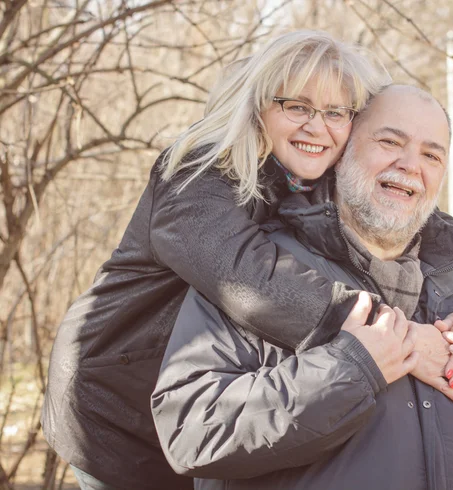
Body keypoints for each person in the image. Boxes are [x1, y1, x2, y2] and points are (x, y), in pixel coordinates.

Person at [151, 85, 453, 489]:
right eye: (389, 141)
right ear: (343, 150)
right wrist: (354, 370)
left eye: (431, 154)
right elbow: (190, 432)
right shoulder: (261, 271)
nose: (410, 165)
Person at [41, 30, 395, 490]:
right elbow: (245, 276)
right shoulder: (198, 172)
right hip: (117, 403)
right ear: (258, 105)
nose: (317, 127)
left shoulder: (309, 183)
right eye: (298, 107)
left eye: (335, 112)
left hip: (207, 410)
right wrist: (385, 329)